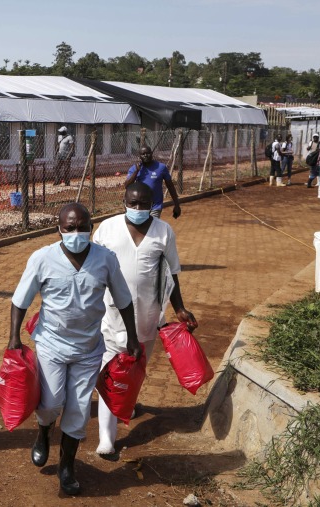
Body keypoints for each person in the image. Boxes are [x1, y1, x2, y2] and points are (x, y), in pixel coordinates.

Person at [7, 202, 140, 496]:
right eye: (70, 227)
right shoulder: (42, 259)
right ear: (59, 229)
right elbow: (20, 300)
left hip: (89, 348)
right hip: (51, 344)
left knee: (78, 411)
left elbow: (123, 299)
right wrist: (13, 337)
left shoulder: (106, 260)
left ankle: (67, 466)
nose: (76, 233)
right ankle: (43, 433)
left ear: (91, 228)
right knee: (52, 402)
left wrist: (132, 336)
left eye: (82, 227)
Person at [92, 182, 198, 456]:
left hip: (148, 318)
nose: (137, 209)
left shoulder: (163, 232)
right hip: (112, 317)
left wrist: (180, 308)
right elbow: (92, 271)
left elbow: (171, 273)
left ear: (153, 205)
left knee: (135, 370)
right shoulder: (107, 229)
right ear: (124, 200)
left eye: (143, 204)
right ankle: (107, 436)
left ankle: (127, 404)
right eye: (133, 203)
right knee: (111, 374)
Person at [124, 146, 182, 219]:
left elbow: (170, 186)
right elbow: (127, 185)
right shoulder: (134, 168)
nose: (145, 155)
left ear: (151, 153)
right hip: (140, 207)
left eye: (147, 153)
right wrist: (136, 172)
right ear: (139, 156)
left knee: (152, 226)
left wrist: (176, 204)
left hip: (155, 206)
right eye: (143, 154)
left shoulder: (161, 167)